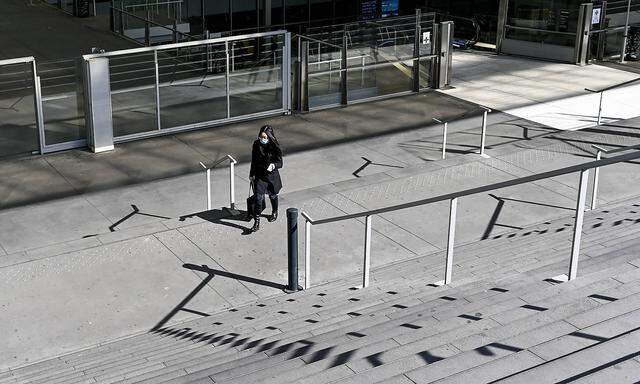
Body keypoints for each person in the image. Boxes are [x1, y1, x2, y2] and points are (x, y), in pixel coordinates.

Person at [248, 125, 283, 232]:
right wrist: (251, 174)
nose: (262, 139)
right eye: (261, 137)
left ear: (269, 137)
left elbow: (280, 163)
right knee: (258, 198)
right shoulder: (256, 144)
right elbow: (253, 160)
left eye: (264, 137)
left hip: (271, 176)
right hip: (260, 175)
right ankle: (256, 222)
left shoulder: (275, 147)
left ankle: (274, 211)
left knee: (273, 195)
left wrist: (273, 165)